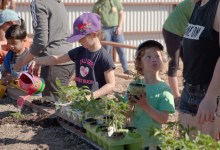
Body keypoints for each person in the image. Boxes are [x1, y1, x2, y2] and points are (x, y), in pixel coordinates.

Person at [25, 13, 115, 100]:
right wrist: (38, 60)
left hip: (97, 104)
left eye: (81, 38)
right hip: (81, 99)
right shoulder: (79, 52)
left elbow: (111, 84)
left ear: (94, 35)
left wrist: (91, 97)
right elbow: (57, 59)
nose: (79, 41)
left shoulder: (104, 57)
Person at [14, 0, 75, 101]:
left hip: (53, 63)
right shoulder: (57, 2)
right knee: (61, 106)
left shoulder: (38, 2)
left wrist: (21, 62)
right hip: (67, 59)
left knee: (51, 109)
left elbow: (40, 42)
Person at [179, 0, 220, 139]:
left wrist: (211, 97)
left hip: (210, 94)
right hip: (189, 91)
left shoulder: (217, 6)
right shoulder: (198, 5)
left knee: (208, 146)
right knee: (185, 145)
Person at [124, 40, 175, 149]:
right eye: (148, 57)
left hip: (152, 142)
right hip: (133, 138)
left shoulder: (164, 89)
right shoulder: (134, 86)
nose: (154, 59)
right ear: (140, 63)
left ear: (163, 60)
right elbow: (127, 115)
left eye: (157, 56)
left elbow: (163, 119)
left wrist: (145, 106)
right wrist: (130, 104)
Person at [162, 0, 194, 106]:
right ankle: (177, 97)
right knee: (174, 63)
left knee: (189, 62)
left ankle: (189, 91)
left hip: (184, 31)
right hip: (172, 30)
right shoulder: (195, 3)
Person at [92, 0, 132, 75]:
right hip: (105, 29)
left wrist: (120, 27)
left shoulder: (116, 2)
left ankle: (126, 69)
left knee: (121, 50)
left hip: (116, 28)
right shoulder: (97, 4)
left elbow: (121, 14)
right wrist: (98, 26)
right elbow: (94, 18)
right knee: (106, 51)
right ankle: (105, 69)